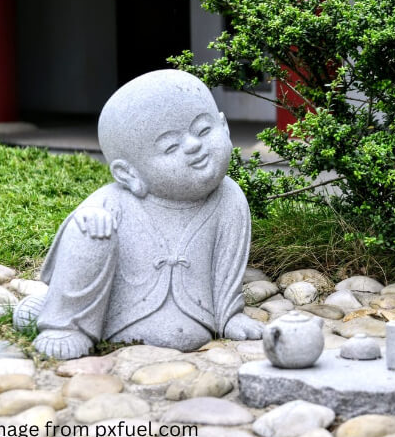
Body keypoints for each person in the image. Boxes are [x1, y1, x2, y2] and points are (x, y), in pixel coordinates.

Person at [30, 70, 265, 359]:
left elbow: (227, 267)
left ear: (224, 128)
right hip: (118, 316)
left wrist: (230, 315)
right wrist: (91, 216)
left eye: (203, 130)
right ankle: (65, 324)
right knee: (90, 229)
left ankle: (222, 317)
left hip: (195, 315)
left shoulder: (229, 198)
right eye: (170, 146)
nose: (194, 145)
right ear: (129, 174)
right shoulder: (115, 201)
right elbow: (85, 226)